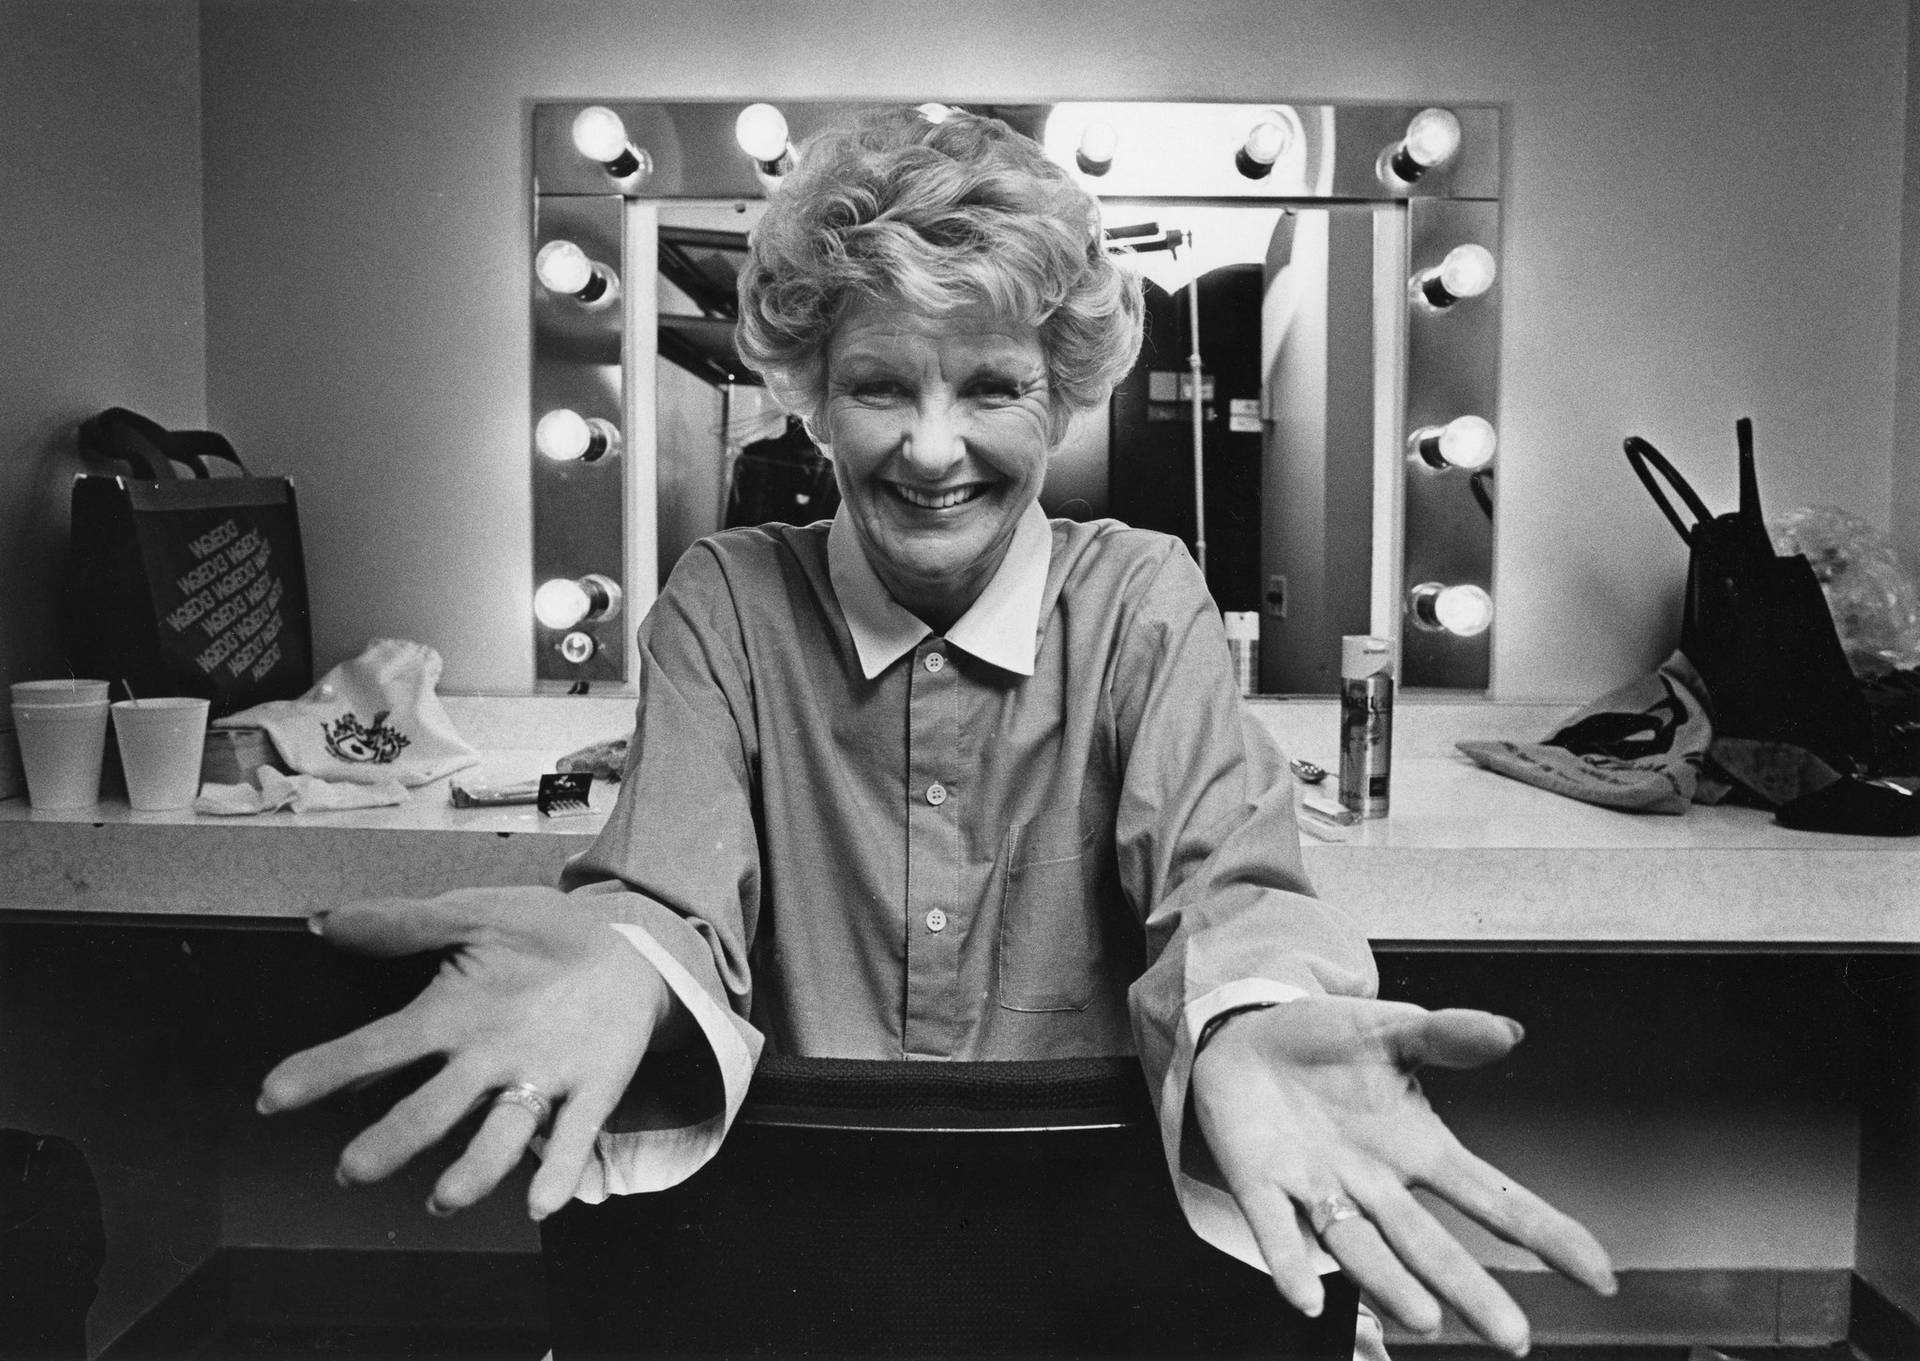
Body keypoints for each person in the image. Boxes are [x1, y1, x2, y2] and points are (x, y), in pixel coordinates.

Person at [257, 107, 1615, 1358]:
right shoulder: (723, 602)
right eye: (881, 385)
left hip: (1104, 1308)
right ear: (805, 385)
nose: (930, 447)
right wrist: (623, 956)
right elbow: (669, 885)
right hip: (789, 1301)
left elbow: (1233, 886)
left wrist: (1258, 1017)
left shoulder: (1145, 599)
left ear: (1064, 392)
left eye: (991, 387)